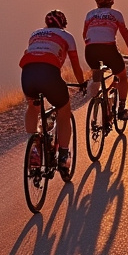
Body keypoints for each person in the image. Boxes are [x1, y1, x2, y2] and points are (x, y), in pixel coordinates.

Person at [20, 10, 86, 176]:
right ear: (63, 24)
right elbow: (75, 65)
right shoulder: (66, 36)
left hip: (27, 75)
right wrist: (81, 82)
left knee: (33, 107)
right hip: (49, 75)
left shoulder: (34, 34)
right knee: (64, 111)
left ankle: (34, 147)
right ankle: (63, 156)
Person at [83, 0, 128, 119]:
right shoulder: (116, 14)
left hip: (90, 49)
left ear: (97, 3)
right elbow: (125, 34)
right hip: (109, 48)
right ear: (111, 3)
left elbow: (84, 35)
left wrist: (92, 45)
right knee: (123, 77)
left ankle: (96, 81)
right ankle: (121, 109)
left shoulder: (90, 14)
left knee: (97, 69)